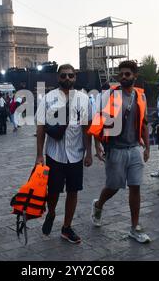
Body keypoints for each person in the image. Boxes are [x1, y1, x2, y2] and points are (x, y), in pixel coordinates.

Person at [89, 60, 151, 244]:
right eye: (121, 74)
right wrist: (97, 145)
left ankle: (135, 227)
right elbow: (98, 121)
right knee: (114, 187)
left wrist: (147, 147)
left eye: (127, 74)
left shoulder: (141, 96)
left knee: (135, 186)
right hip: (115, 149)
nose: (123, 77)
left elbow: (144, 123)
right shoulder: (110, 95)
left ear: (134, 76)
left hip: (134, 148)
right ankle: (98, 205)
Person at [36, 64, 92, 244]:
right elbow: (41, 128)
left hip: (76, 153)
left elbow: (86, 128)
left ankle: (67, 227)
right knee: (53, 191)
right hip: (55, 153)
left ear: (75, 77)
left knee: (73, 191)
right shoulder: (48, 98)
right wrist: (39, 155)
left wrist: (89, 152)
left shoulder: (84, 99)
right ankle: (51, 213)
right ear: (57, 78)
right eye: (63, 76)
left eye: (70, 75)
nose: (67, 78)